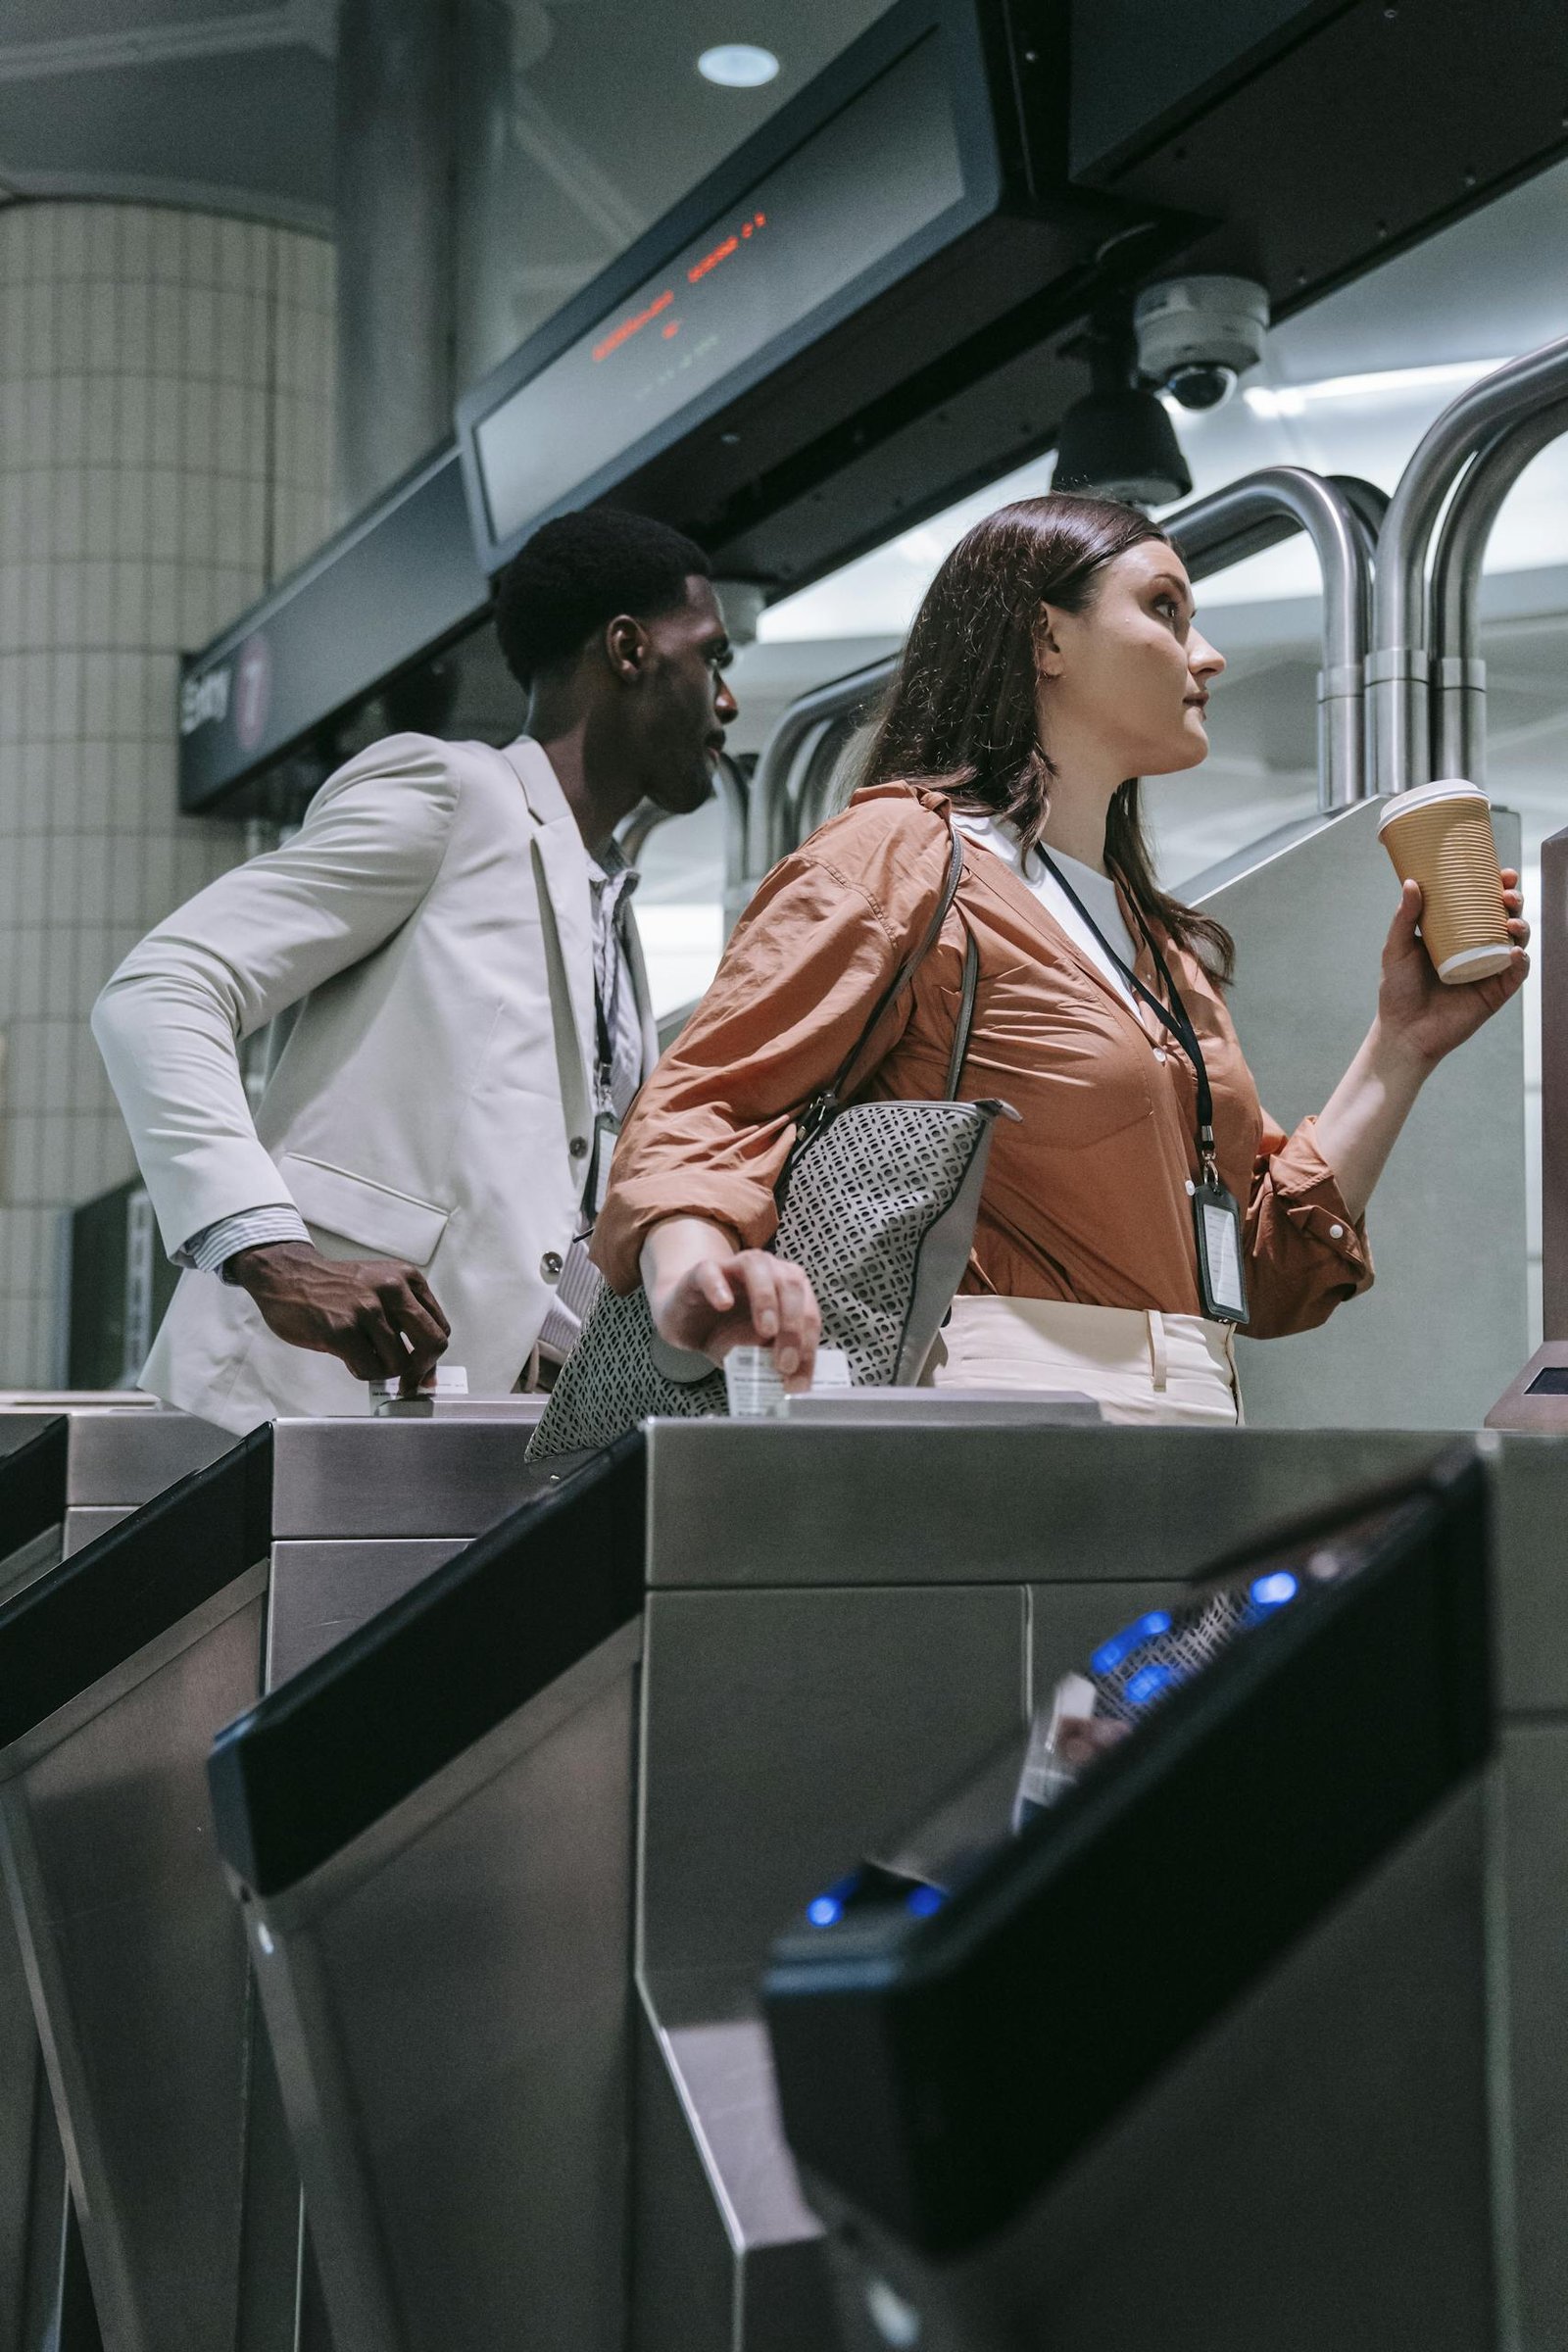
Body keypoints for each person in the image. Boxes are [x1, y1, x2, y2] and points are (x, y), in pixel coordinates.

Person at [590, 493, 1528, 1425]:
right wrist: (696, 1278)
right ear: (1045, 638)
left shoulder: (1155, 943)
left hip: (1194, 1427)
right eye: (1164, 609)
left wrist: (1404, 1043)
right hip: (999, 1425)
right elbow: (703, 1104)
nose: (1207, 654)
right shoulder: (904, 858)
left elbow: (1262, 1267)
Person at [93, 508, 737, 1432]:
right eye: (714, 657)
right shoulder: (451, 794)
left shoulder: (608, 907)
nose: (726, 702)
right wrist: (268, 1249)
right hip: (284, 1413)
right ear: (630, 649)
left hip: (467, 1435)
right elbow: (161, 989)